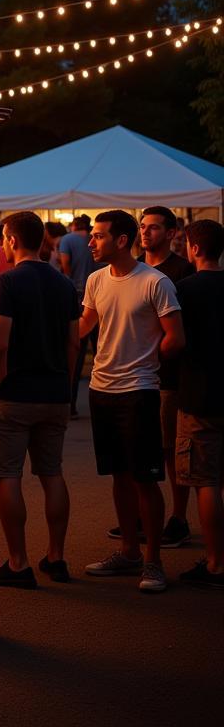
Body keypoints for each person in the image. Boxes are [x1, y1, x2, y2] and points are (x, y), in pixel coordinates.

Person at [79, 210, 184, 593]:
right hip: (101, 389)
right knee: (119, 475)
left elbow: (176, 337)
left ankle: (153, 561)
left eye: (99, 236)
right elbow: (84, 327)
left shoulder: (155, 282)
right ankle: (128, 552)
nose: (91, 242)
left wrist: (145, 359)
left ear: (122, 240)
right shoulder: (95, 280)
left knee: (144, 478)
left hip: (138, 391)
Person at [0, 211, 80, 588]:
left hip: (14, 394)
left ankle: (18, 561)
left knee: (7, 476)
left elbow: (2, 340)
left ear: (11, 239)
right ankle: (56, 557)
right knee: (52, 473)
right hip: (55, 392)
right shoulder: (62, 284)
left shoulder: (6, 282)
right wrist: (67, 384)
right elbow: (73, 341)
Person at [132, 206, 195, 548]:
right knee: (144, 451)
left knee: (170, 452)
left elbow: (183, 331)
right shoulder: (134, 270)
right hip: (137, 378)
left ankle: (179, 518)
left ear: (172, 233)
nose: (146, 233)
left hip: (169, 376)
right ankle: (145, 516)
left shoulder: (182, 272)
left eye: (154, 228)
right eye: (143, 227)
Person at [175, 220, 224, 588]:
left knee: (206, 481)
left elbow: (172, 341)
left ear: (193, 247)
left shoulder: (184, 290)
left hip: (198, 394)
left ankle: (216, 562)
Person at [60, 216, 98, 417]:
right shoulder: (97, 239)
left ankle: (71, 403)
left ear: (74, 225)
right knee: (102, 353)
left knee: (76, 352)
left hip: (77, 298)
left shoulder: (67, 240)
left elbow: (66, 265)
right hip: (100, 299)